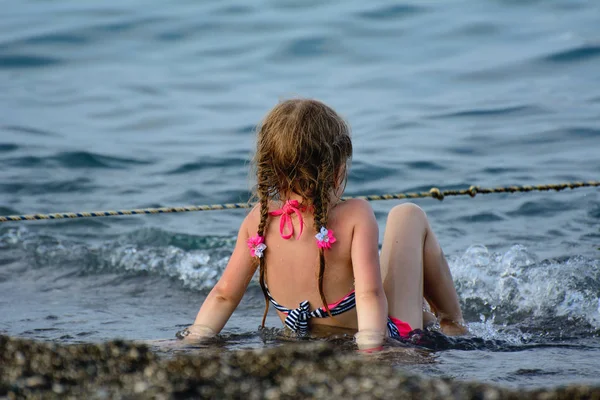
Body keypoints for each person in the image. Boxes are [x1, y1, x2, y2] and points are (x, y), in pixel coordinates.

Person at [184, 99, 467, 351]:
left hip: (314, 341)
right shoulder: (356, 214)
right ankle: (452, 321)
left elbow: (223, 295)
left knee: (400, 289)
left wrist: (193, 339)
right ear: (336, 169)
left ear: (270, 170)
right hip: (386, 338)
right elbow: (368, 294)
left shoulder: (259, 221)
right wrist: (371, 350)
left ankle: (430, 317)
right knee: (407, 214)